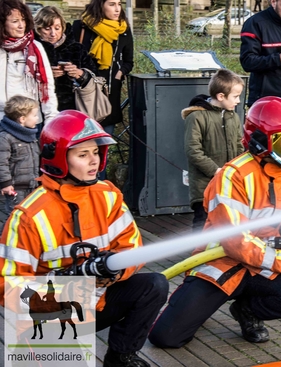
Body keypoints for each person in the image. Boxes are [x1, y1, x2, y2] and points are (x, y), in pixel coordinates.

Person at [148, 96, 281, 348]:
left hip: (265, 267)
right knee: (166, 338)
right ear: (260, 141)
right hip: (222, 264)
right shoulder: (233, 176)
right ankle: (195, 304)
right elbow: (235, 242)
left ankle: (247, 311)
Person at [0, 110, 169, 367]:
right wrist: (61, 285)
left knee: (153, 285)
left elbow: (132, 245)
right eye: (83, 154)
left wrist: (112, 268)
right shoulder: (30, 216)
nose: (94, 160)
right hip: (52, 312)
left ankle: (121, 356)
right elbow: (7, 285)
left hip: (98, 299)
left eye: (96, 152)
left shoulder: (108, 195)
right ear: (57, 158)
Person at [73, 0, 134, 179]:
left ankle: (100, 187)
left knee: (102, 146)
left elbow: (129, 61)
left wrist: (119, 73)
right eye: (111, 4)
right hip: (85, 94)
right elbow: (72, 53)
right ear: (100, 5)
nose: (117, 9)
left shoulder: (123, 28)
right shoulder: (82, 26)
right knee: (81, 146)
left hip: (109, 96)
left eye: (119, 4)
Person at [182, 69, 245, 231]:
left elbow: (239, 146)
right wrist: (215, 170)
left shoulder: (234, 117)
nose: (238, 101)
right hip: (204, 184)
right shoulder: (196, 117)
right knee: (202, 223)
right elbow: (193, 150)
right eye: (235, 96)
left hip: (228, 182)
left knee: (227, 222)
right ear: (221, 96)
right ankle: (199, 253)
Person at [0, 0, 58, 130]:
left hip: (28, 122)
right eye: (15, 21)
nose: (21, 25)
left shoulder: (35, 48)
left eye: (23, 20)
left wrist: (51, 119)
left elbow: (46, 86)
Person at [34, 6, 98, 111]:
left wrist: (80, 74)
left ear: (63, 27)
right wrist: (46, 76)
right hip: (39, 111)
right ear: (38, 29)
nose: (53, 33)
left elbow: (95, 78)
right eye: (47, 28)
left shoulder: (77, 49)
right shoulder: (32, 49)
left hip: (73, 109)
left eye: (57, 28)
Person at [0, 95, 40, 232]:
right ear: (22, 119)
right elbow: (1, 162)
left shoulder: (31, 136)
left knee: (30, 218)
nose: (37, 119)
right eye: (34, 115)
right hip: (14, 189)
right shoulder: (6, 137)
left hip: (32, 186)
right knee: (11, 219)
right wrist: (5, 183)